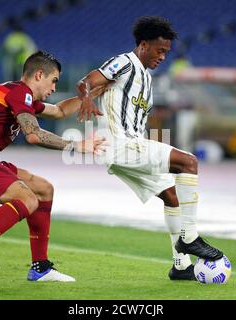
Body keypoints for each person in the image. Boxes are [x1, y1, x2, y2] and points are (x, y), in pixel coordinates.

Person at [76, 16, 223, 281]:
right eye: (160, 50)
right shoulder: (124, 62)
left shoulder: (146, 78)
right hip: (122, 146)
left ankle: (180, 266)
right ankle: (190, 238)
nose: (163, 56)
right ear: (143, 45)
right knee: (189, 162)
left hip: (127, 148)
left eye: (167, 52)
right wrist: (86, 98)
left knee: (172, 197)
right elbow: (85, 81)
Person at [0, 50, 105, 282]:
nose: (54, 88)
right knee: (27, 199)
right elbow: (33, 135)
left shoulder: (16, 93)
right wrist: (76, 146)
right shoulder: (20, 93)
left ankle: (41, 267)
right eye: (54, 81)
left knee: (43, 189)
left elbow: (60, 111)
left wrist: (89, 96)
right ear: (39, 74)